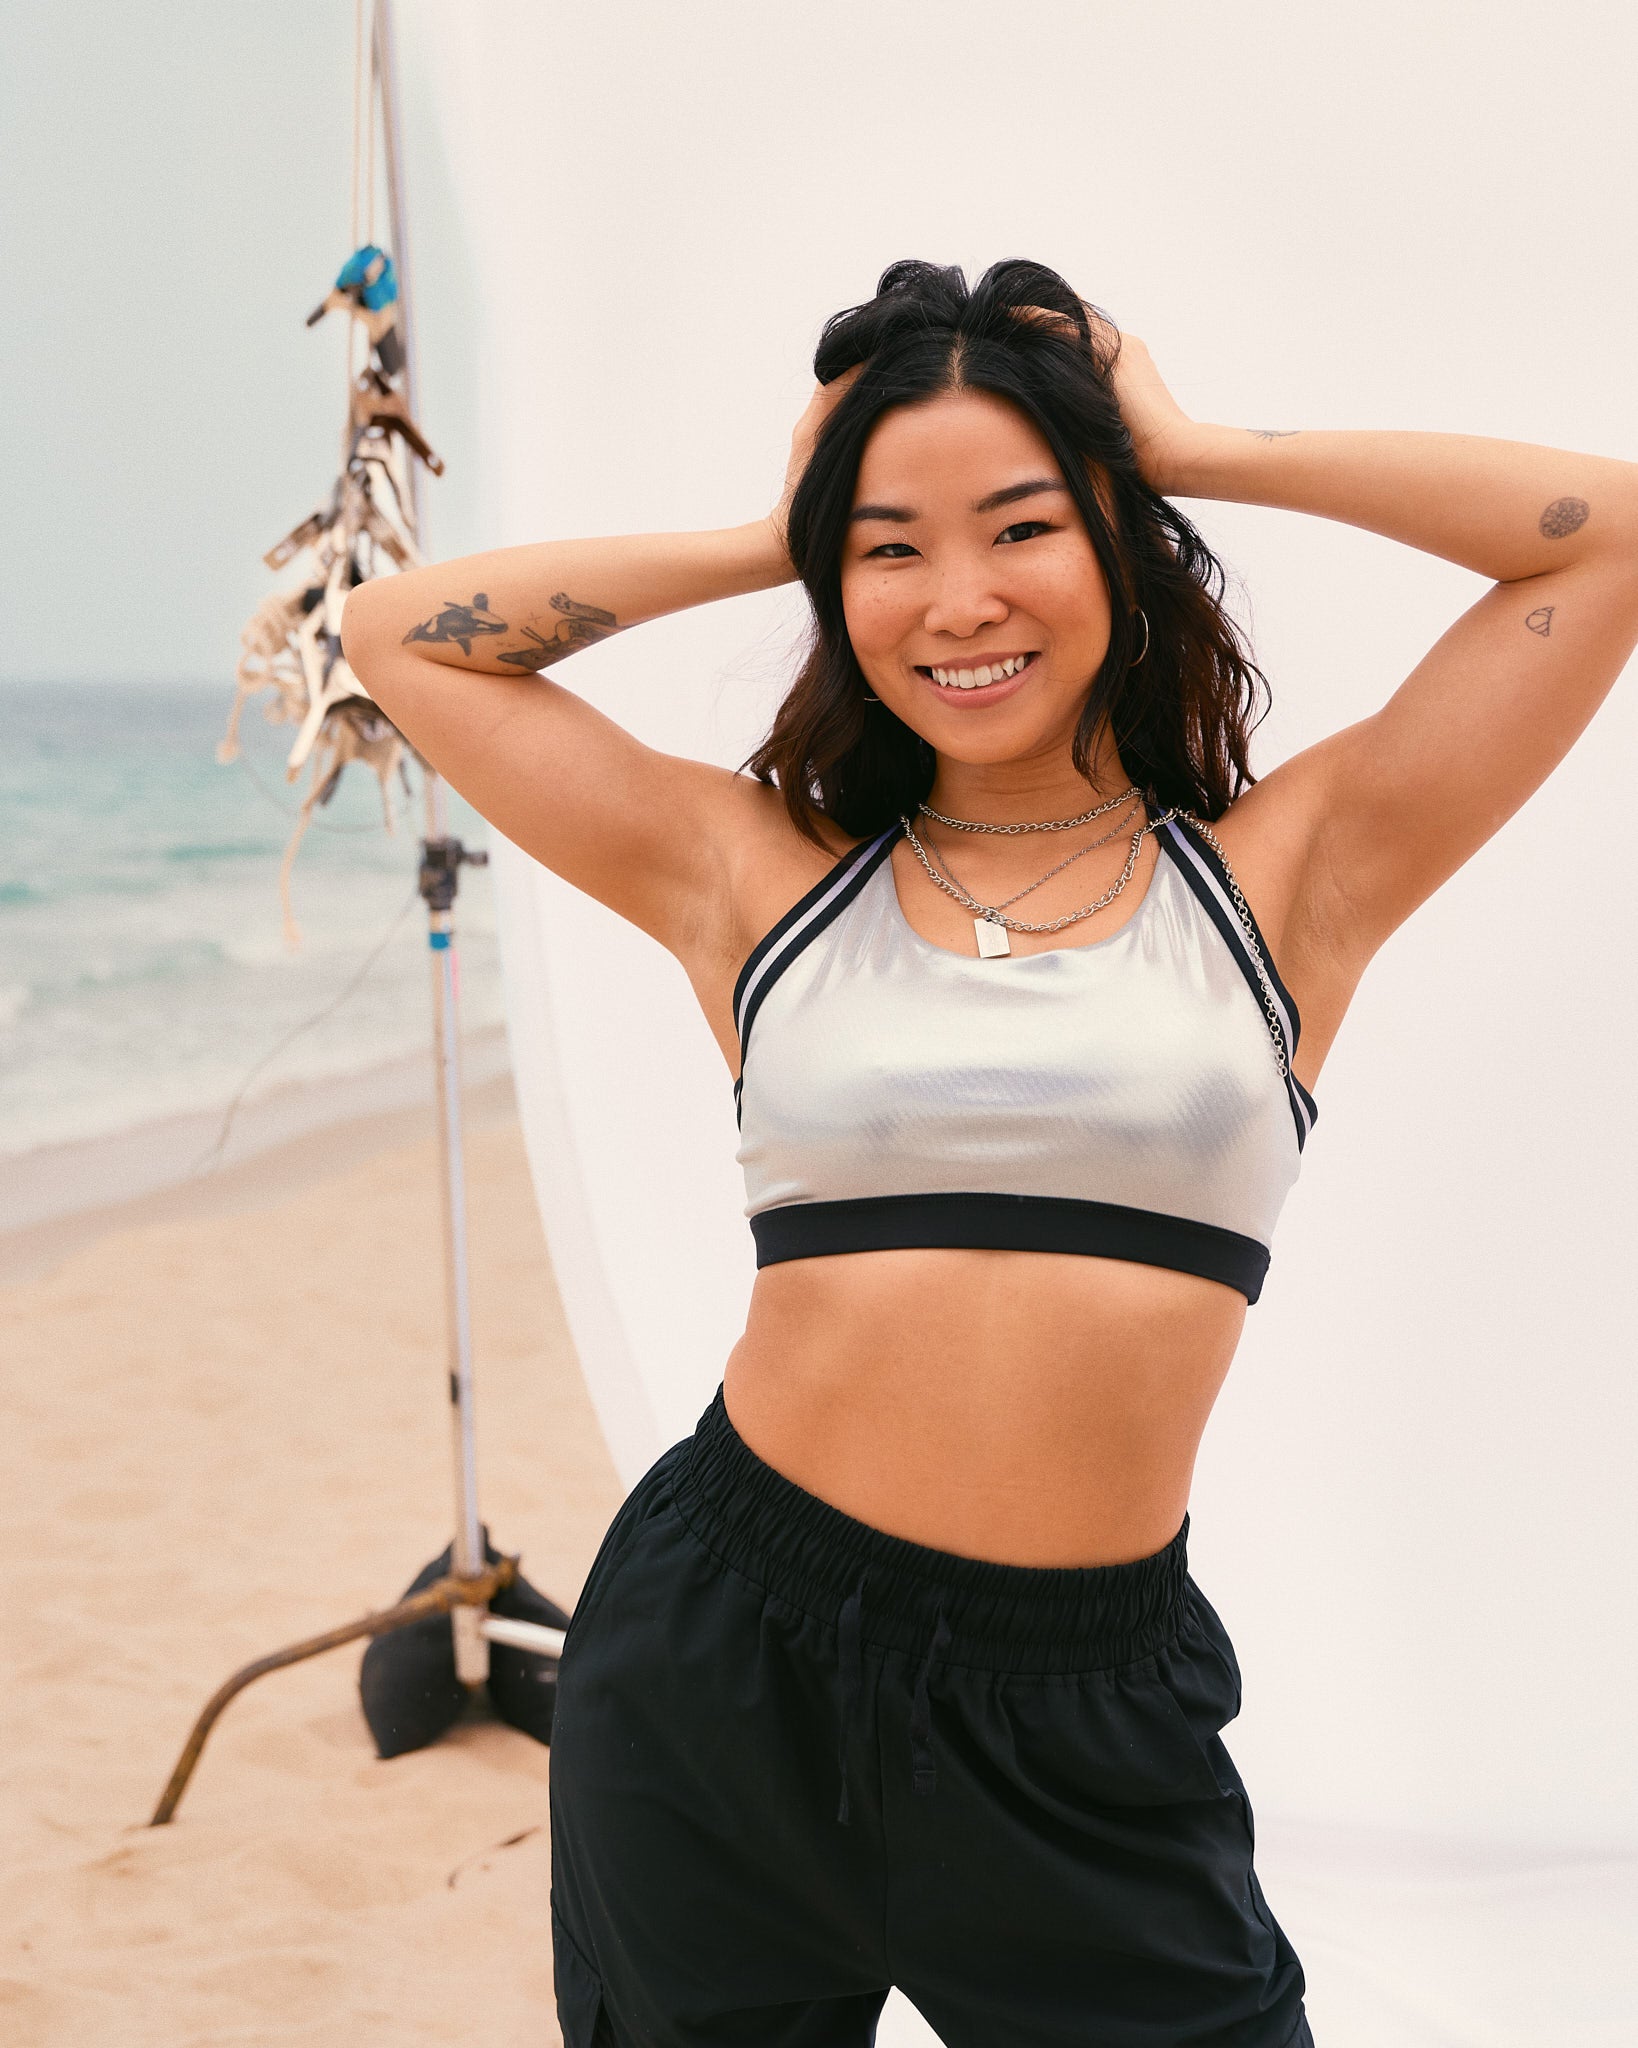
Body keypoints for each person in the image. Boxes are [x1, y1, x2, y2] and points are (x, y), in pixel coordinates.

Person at [341, 258, 1638, 2047]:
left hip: (1080, 1709)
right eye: (888, 549)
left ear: (1119, 541)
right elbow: (399, 635)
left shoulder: (1289, 881)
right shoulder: (756, 881)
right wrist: (776, 527)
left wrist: (1181, 442)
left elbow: (1606, 537)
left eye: (1020, 527)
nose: (958, 600)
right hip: (723, 1652)